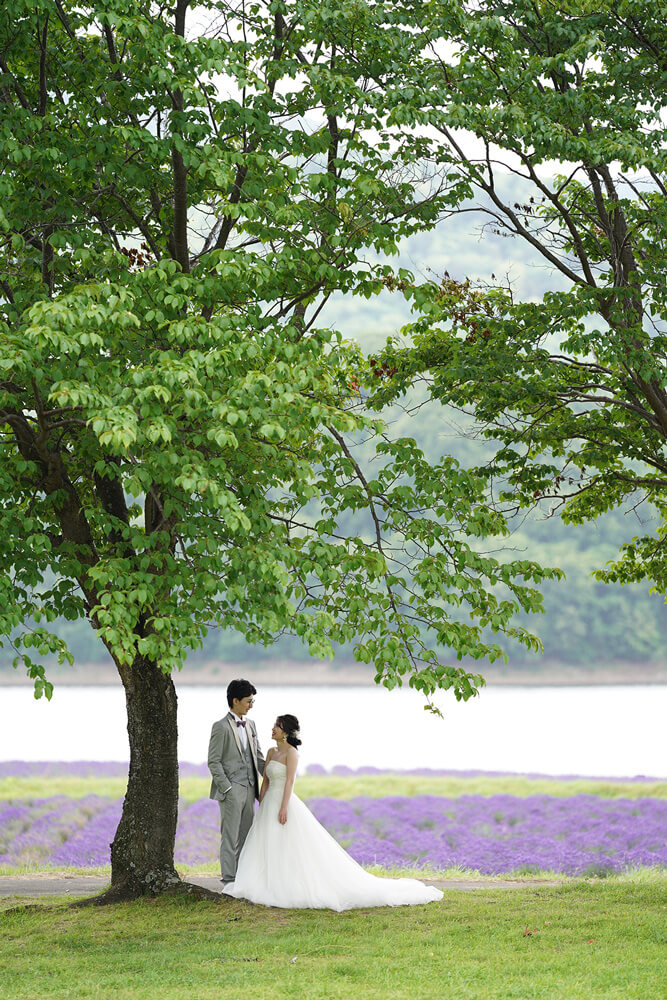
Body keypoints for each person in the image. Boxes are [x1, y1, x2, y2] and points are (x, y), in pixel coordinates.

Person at [224, 714, 443, 910]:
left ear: (287, 732)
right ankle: (263, 882)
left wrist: (283, 807)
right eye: (274, 725)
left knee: (287, 843)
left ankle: (285, 884)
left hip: (284, 801)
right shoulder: (271, 751)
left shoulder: (292, 754)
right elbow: (266, 780)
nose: (273, 729)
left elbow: (290, 781)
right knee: (265, 842)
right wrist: (262, 801)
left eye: (277, 726)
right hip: (268, 802)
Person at [207, 679, 265, 885]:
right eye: (248, 701)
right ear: (235, 700)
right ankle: (229, 881)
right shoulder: (220, 727)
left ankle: (243, 879)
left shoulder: (251, 725)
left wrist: (273, 774)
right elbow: (213, 761)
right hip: (231, 790)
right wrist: (228, 788)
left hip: (250, 789)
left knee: (246, 836)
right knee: (230, 837)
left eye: (252, 702)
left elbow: (257, 757)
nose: (251, 705)